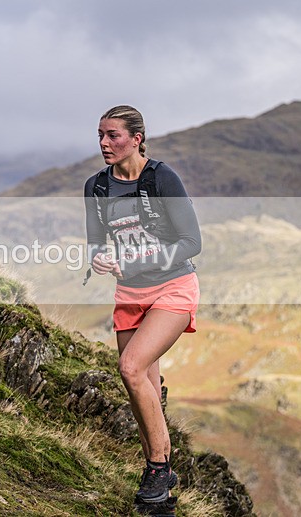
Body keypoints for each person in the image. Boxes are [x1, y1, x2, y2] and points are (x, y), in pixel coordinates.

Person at [83, 105, 201, 507]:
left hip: (173, 288)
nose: (104, 143)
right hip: (129, 295)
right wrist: (98, 257)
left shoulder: (161, 178)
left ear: (136, 139)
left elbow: (192, 242)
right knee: (141, 387)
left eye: (113, 135)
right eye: (100, 135)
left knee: (130, 368)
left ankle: (157, 467)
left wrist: (137, 263)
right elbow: (95, 242)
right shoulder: (96, 186)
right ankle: (161, 492)